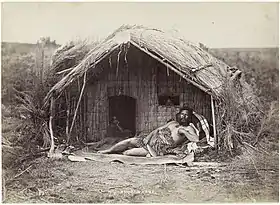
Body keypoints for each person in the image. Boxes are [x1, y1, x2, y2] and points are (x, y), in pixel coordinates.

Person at [98, 106, 199, 157]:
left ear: (189, 117)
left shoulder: (188, 128)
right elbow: (157, 129)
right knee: (128, 141)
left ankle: (120, 152)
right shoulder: (172, 123)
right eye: (182, 114)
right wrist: (148, 138)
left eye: (186, 115)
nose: (184, 117)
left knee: (128, 153)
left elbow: (196, 139)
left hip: (158, 148)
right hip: (150, 140)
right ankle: (109, 151)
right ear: (179, 114)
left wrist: (184, 132)